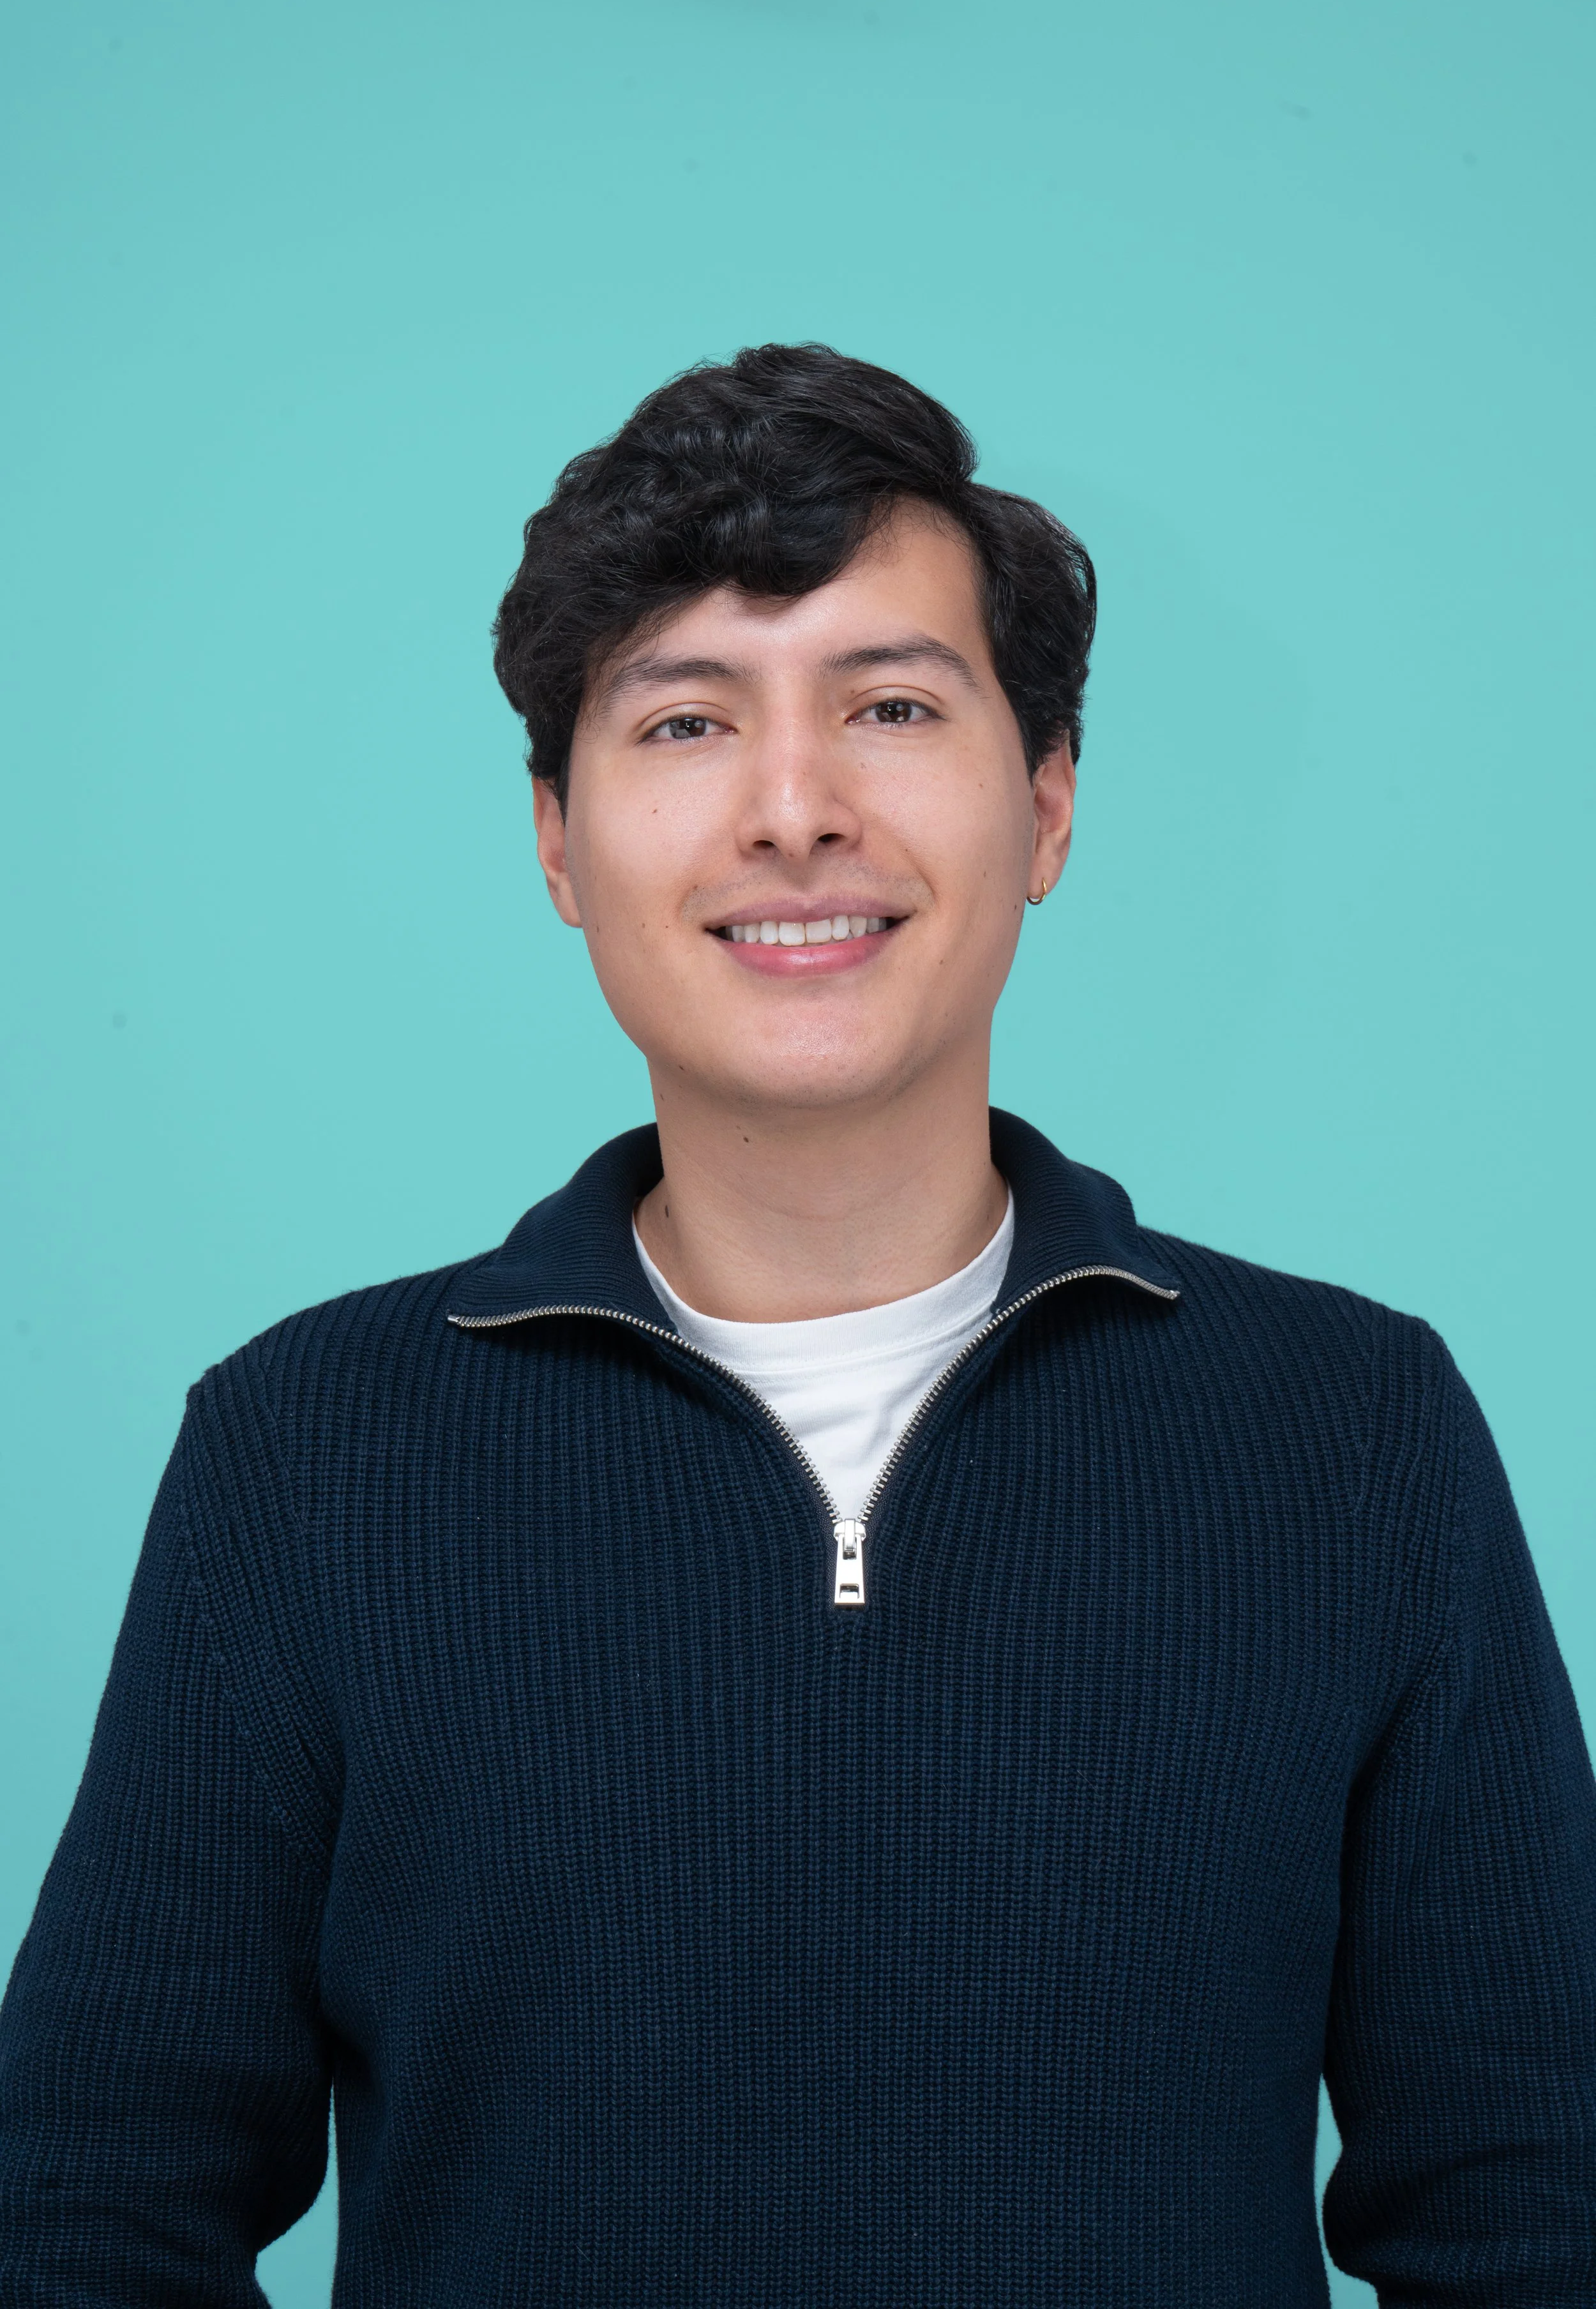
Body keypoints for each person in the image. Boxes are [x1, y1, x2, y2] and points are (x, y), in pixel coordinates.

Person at [1, 344, 1592, 2308]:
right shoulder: (306, 1451)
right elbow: (83, 2204)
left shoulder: (1351, 1430)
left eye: (891, 704)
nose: (791, 811)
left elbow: (1539, 2207)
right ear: (558, 842)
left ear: (1047, 805)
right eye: (681, 722)